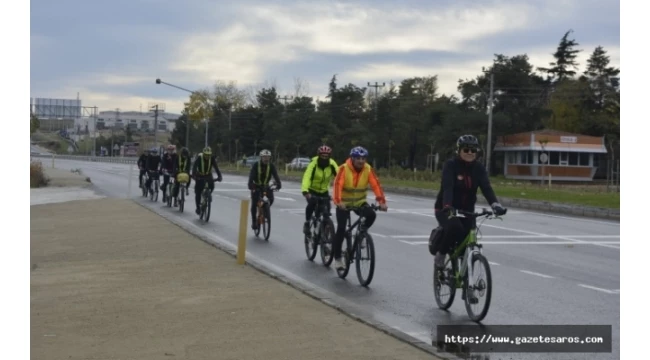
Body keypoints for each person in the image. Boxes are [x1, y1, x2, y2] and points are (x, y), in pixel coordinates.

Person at [432, 135, 507, 271]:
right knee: (455, 228)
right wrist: (447, 206)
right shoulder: (451, 166)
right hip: (446, 208)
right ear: (459, 150)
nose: (470, 153)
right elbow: (448, 188)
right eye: (466, 150)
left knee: (467, 239)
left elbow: (486, 188)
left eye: (473, 150)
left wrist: (495, 205)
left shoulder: (478, 168)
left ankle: (468, 283)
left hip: (467, 211)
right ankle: (441, 254)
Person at [331, 146, 387, 270]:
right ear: (352, 158)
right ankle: (338, 258)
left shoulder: (368, 169)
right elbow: (337, 185)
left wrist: (381, 201)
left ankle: (361, 233)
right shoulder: (343, 169)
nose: (361, 161)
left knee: (371, 215)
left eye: (363, 158)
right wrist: (338, 201)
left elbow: (376, 184)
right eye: (358, 158)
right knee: (341, 228)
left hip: (359, 202)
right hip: (344, 203)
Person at [301, 145, 338, 235]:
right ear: (319, 155)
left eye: (326, 156)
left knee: (326, 211)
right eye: (322, 156)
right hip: (312, 190)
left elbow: (340, 176)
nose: (324, 158)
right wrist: (305, 191)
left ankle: (324, 230)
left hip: (324, 191)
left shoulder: (332, 163)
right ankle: (307, 222)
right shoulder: (313, 164)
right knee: (312, 204)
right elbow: (307, 177)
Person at [248, 149, 282, 230]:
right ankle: (254, 221)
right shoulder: (256, 165)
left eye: (268, 157)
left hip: (266, 186)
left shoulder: (271, 166)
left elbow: (276, 175)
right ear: (261, 157)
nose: (266, 159)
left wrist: (279, 184)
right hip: (256, 186)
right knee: (254, 203)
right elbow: (251, 176)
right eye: (264, 157)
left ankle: (265, 211)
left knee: (271, 199)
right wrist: (250, 185)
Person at [191, 146, 223, 215]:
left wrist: (219, 176)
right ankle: (198, 207)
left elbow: (216, 168)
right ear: (203, 154)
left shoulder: (212, 159)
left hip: (208, 175)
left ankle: (207, 196)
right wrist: (194, 175)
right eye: (206, 155)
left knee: (212, 186)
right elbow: (194, 167)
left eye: (209, 155)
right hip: (200, 175)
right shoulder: (199, 158)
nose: (207, 156)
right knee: (198, 191)